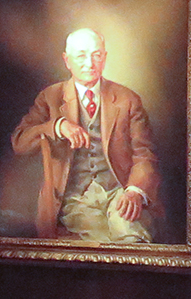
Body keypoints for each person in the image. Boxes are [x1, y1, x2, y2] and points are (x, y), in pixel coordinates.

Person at [9, 27, 161, 242]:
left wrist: (134, 191)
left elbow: (144, 155)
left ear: (105, 57)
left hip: (120, 191)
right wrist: (57, 126)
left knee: (132, 238)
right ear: (67, 60)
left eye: (96, 55)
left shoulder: (128, 99)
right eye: (81, 56)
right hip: (75, 198)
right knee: (101, 243)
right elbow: (20, 142)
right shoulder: (50, 97)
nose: (89, 63)